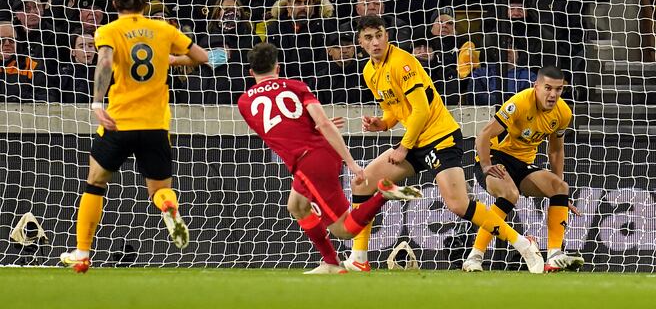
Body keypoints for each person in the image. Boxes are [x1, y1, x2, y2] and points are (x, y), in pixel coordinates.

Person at [343, 15, 545, 273]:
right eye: (368, 38)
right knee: (362, 182)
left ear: (387, 36)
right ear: (360, 43)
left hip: (441, 138)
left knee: (459, 204)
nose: (375, 42)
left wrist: (404, 147)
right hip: (416, 140)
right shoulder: (370, 72)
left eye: (379, 35)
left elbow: (420, 110)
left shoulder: (403, 63)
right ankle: (359, 258)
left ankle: (523, 243)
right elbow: (394, 110)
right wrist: (382, 124)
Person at [60, 0, 209, 272]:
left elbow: (104, 61)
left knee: (95, 183)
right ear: (145, 2)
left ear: (115, 2)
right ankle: (169, 208)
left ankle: (82, 252)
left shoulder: (109, 30)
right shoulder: (163, 28)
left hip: (119, 123)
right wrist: (169, 60)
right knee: (158, 190)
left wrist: (96, 103)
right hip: (155, 125)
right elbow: (202, 57)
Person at [237, 41, 423, 274]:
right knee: (296, 205)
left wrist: (351, 164)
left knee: (345, 230)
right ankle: (332, 263)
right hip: (319, 152)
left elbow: (278, 130)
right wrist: (346, 157)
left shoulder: (244, 102)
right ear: (278, 68)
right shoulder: (296, 86)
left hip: (309, 162)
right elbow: (322, 123)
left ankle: (383, 195)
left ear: (251, 72)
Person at [462, 65, 584, 273]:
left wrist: (558, 195)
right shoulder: (519, 102)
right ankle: (475, 256)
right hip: (496, 156)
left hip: (523, 164)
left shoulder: (563, 112)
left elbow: (555, 151)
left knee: (561, 187)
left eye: (558, 89)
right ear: (536, 86)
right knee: (510, 194)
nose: (553, 94)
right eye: (548, 88)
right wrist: (485, 165)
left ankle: (554, 255)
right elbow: (483, 135)